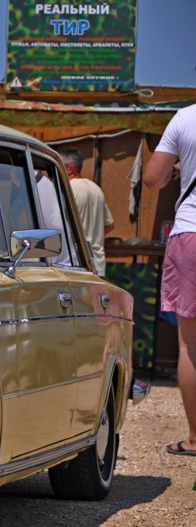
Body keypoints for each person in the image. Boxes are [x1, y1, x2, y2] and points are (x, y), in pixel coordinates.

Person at [142, 103, 196, 456]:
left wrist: (176, 170)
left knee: (190, 346)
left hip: (191, 233)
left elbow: (151, 178)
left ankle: (195, 439)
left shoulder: (185, 117)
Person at [59, 147, 115, 276]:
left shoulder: (68, 188)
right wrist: (93, 237)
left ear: (70, 168)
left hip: (76, 264)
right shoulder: (96, 189)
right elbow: (110, 225)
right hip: (98, 265)